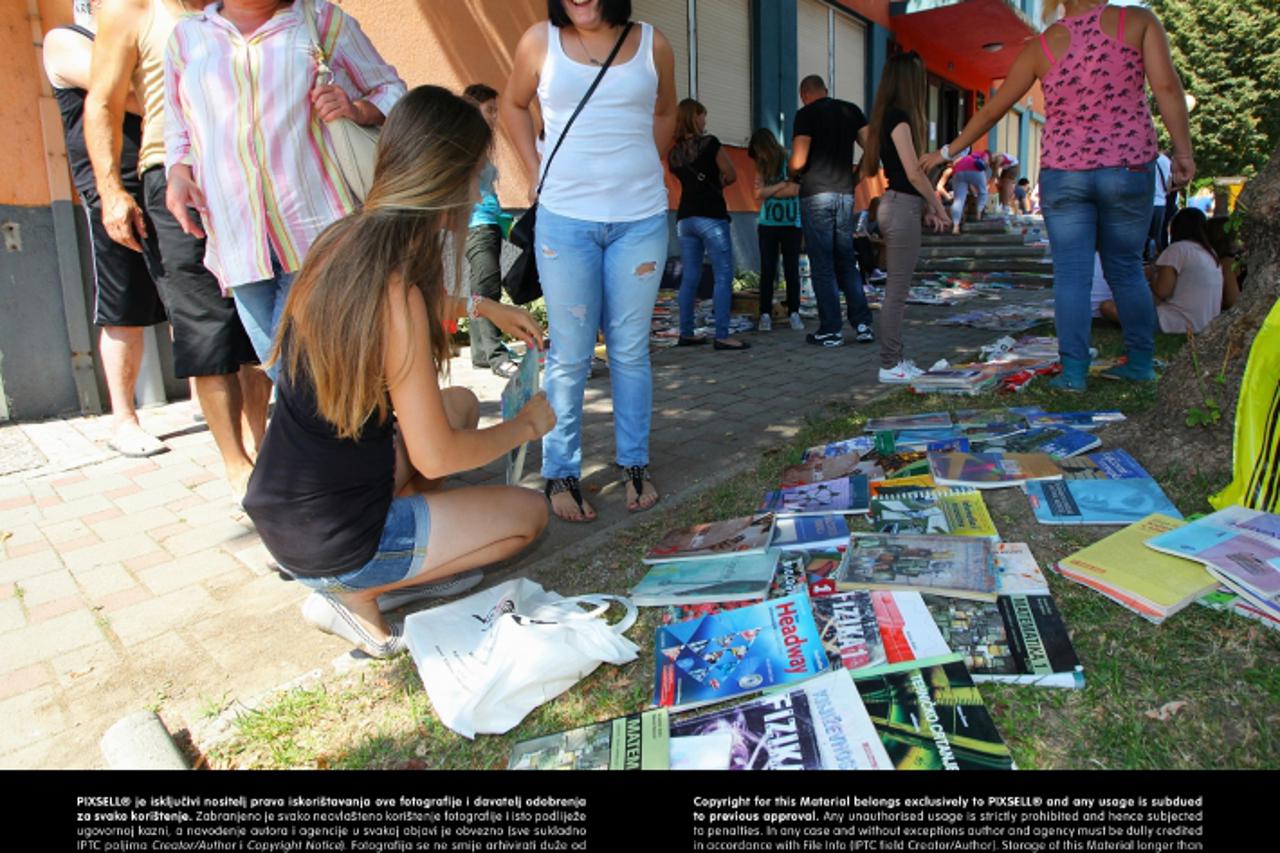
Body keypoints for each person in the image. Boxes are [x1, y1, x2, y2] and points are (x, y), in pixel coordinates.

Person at [242, 86, 554, 658]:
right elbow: (436, 456)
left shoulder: (345, 242)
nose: (484, 181)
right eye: (480, 170)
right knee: (530, 516)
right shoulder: (397, 291)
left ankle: (402, 559)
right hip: (336, 542)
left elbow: (416, 309)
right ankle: (361, 594)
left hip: (290, 513)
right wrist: (528, 425)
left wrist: (489, 308)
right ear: (450, 180)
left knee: (458, 403)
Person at [922, 0, 1194, 390]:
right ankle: (1139, 361)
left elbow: (992, 110)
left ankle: (1074, 373)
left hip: (1065, 173)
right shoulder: (1137, 22)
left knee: (1071, 276)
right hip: (1128, 164)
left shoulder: (1041, 46)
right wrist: (1182, 152)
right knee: (1126, 267)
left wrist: (947, 152)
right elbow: (1167, 86)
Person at [86, 0, 270, 499]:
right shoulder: (132, 10)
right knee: (204, 328)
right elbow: (100, 102)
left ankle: (266, 452)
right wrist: (110, 192)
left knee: (258, 325)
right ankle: (237, 467)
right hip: (170, 178)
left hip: (246, 177)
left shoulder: (236, 9)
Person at [501, 0, 677, 522]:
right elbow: (512, 105)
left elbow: (666, 113)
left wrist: (644, 167)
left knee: (629, 350)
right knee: (570, 355)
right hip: (565, 222)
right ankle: (560, 471)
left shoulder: (653, 43)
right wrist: (533, 169)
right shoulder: (539, 42)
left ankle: (635, 464)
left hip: (640, 219)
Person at [163, 0, 405, 378]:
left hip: (319, 230)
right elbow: (178, 125)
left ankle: (364, 432)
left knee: (304, 378)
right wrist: (178, 171)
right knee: (289, 376)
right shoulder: (186, 38)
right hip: (237, 237)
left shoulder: (319, 21)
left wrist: (357, 109)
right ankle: (369, 433)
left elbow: (391, 89)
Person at [44, 0, 167, 458]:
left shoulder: (144, 32)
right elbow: (120, 92)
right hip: (113, 185)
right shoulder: (65, 40)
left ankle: (204, 400)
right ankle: (124, 419)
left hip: (164, 173)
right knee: (123, 306)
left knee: (188, 293)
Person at [860, 52, 952, 385]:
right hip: (900, 208)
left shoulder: (885, 117)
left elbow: (903, 174)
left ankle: (895, 359)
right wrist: (938, 205)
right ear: (909, 81)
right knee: (897, 293)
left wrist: (927, 207)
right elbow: (913, 173)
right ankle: (890, 364)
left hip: (897, 205)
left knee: (896, 291)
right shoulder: (898, 118)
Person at [790, 74, 875, 348]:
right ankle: (862, 324)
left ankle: (831, 329)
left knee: (822, 264)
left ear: (804, 94)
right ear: (826, 90)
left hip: (816, 194)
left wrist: (792, 171)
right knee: (846, 260)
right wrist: (857, 177)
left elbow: (798, 161)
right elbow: (873, 149)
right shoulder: (850, 110)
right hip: (845, 194)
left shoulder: (805, 115)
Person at [670, 99, 747, 350]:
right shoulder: (710, 143)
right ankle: (723, 334)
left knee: (690, 276)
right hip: (711, 216)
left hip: (685, 218)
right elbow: (731, 174)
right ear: (695, 117)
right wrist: (719, 184)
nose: (706, 121)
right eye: (703, 116)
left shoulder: (674, 154)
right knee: (723, 274)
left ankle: (687, 332)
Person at [1101, 208, 1238, 335]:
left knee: (1107, 306)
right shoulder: (1210, 253)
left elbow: (1162, 291)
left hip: (1175, 323)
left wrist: (1153, 275)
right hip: (1203, 324)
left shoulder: (1178, 249)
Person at [461, 83, 519, 379]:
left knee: (479, 288)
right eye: (490, 110)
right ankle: (497, 357)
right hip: (476, 226)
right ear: (474, 107)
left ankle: (481, 354)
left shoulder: (481, 143)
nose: (495, 116)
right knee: (487, 290)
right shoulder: (465, 144)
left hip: (490, 223)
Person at [746, 128, 805, 332]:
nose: (759, 157)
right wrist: (780, 185)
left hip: (791, 224)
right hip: (767, 224)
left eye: (759, 151)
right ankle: (765, 313)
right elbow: (758, 194)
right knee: (767, 270)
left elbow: (796, 189)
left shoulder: (790, 159)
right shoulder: (762, 166)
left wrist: (769, 192)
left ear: (765, 146)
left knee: (791, 270)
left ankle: (794, 312)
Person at [948, 150, 990, 234]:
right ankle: (978, 215)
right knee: (983, 192)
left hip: (958, 171)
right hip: (975, 170)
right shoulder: (984, 153)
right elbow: (985, 162)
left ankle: (955, 227)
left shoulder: (967, 157)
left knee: (959, 199)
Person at [1147, 150, 1172, 261]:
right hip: (1160, 203)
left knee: (1142, 235)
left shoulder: (1142, 157)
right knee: (1156, 235)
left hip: (1143, 203)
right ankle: (1153, 260)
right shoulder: (1166, 161)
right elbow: (1169, 185)